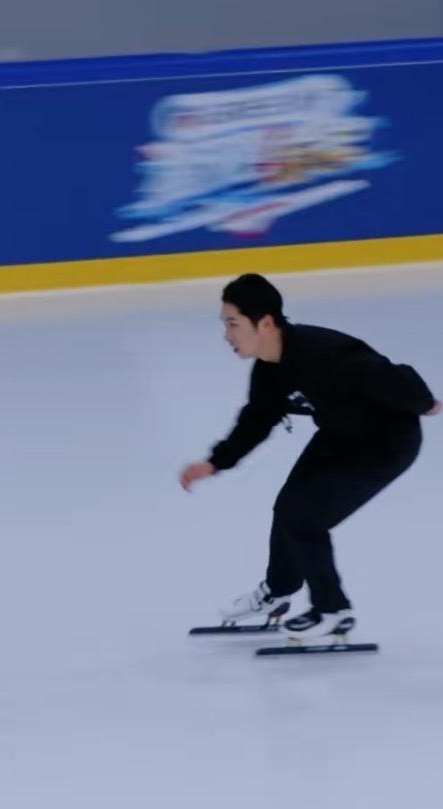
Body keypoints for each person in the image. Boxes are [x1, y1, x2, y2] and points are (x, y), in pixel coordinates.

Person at [180, 274, 440, 639]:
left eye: (233, 324)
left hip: (386, 443)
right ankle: (278, 591)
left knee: (305, 519)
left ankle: (332, 610)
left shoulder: (325, 354)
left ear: (265, 323)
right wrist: (215, 462)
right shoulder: (269, 370)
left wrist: (424, 403)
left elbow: (391, 375)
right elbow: (257, 420)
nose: (227, 335)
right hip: (339, 436)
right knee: (287, 507)